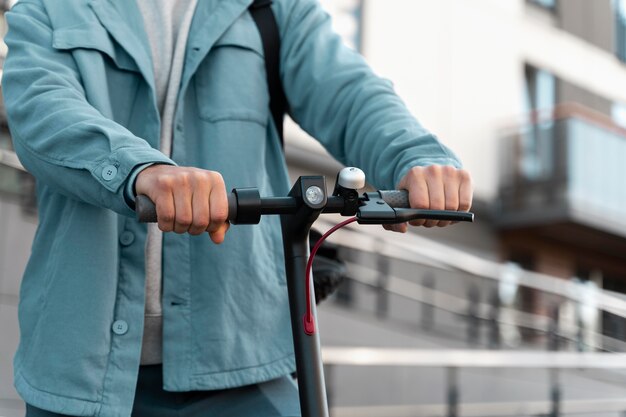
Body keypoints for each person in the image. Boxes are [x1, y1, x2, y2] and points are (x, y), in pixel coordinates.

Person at [1, 0, 473, 416]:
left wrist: (418, 156)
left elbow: (351, 94)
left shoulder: (269, 9)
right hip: (79, 374)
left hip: (242, 364)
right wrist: (142, 171)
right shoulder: (49, 6)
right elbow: (41, 109)